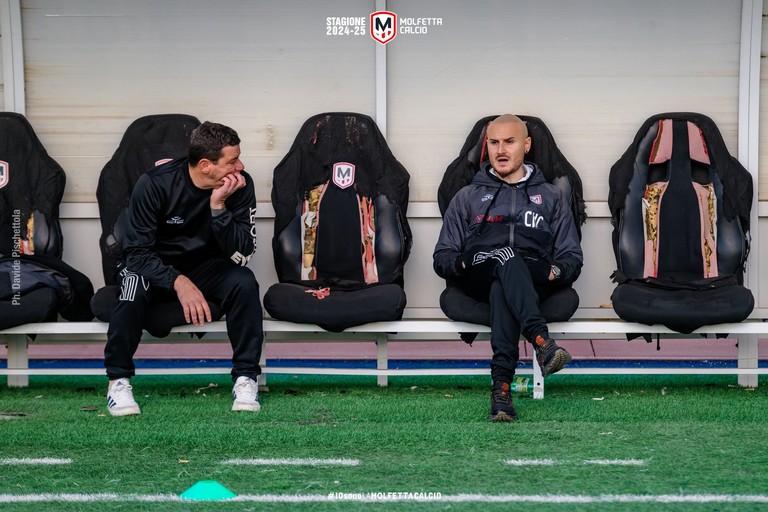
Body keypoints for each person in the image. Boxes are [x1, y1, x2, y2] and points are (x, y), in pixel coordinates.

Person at [103, 121, 263, 416]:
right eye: (232, 160)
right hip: (155, 269)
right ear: (205, 164)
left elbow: (243, 254)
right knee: (133, 283)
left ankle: (246, 377)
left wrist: (219, 210)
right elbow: (136, 253)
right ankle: (118, 381)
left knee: (244, 281)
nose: (240, 166)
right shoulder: (154, 183)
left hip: (206, 270)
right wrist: (178, 281)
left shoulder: (239, 186)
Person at [433, 114, 583, 422]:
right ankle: (541, 341)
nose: (501, 150)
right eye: (494, 142)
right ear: (486, 146)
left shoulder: (552, 197)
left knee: (507, 279)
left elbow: (571, 255)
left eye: (510, 142)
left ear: (526, 145)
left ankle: (501, 391)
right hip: (478, 274)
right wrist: (462, 261)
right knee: (504, 256)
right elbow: (442, 255)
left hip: (532, 277)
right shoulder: (467, 197)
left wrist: (555, 271)